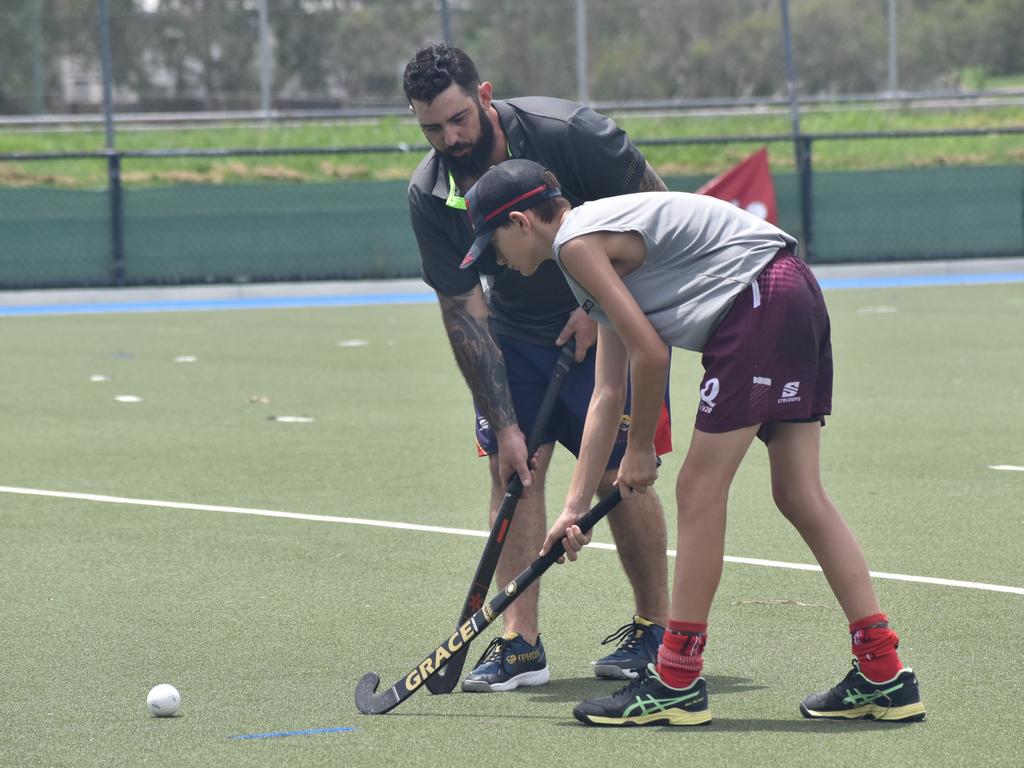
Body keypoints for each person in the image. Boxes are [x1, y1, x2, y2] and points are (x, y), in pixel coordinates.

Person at [461, 158, 926, 725]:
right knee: (800, 494)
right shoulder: (589, 239)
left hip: (758, 302)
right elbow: (608, 392)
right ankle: (883, 670)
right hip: (792, 288)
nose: (497, 261)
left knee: (698, 490)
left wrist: (637, 453)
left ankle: (676, 679)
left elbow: (650, 354)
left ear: (522, 222)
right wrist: (573, 508)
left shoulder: (577, 245)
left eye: (495, 244)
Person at [402, 43, 674, 692]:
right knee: (514, 467)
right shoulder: (431, 193)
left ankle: (655, 627)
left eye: (460, 119)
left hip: (608, 314)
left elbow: (661, 219)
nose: (450, 138)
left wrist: (600, 304)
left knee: (616, 472)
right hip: (516, 332)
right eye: (432, 129)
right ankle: (521, 641)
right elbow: (464, 315)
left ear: (486, 95)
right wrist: (505, 425)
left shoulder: (572, 136)